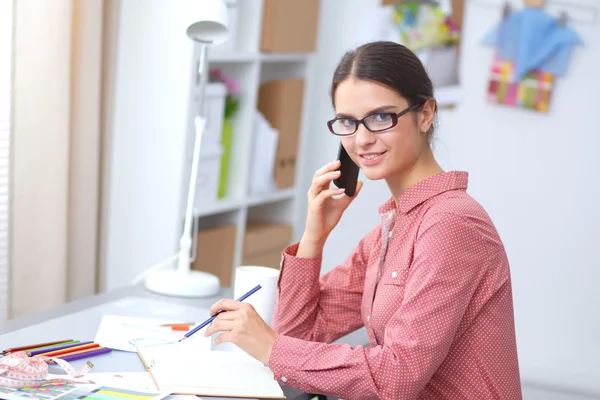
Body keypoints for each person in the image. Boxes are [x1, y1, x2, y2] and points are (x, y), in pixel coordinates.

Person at [204, 41, 522, 399]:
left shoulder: (453, 225)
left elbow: (396, 377)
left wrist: (270, 346)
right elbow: (297, 338)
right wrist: (313, 238)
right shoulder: (392, 227)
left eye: (381, 117)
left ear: (426, 113)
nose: (362, 139)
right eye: (348, 122)